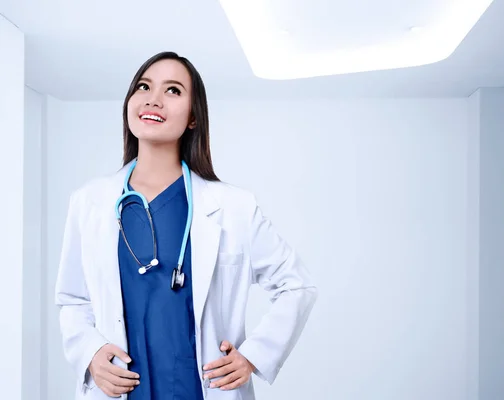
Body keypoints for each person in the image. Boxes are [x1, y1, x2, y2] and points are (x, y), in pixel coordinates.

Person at [54, 51, 318, 400]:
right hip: (122, 389)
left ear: (193, 117)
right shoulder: (88, 202)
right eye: (144, 86)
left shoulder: (234, 207)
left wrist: (254, 355)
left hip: (200, 389)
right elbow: (72, 298)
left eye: (173, 90)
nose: (153, 99)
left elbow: (296, 286)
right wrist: (89, 352)